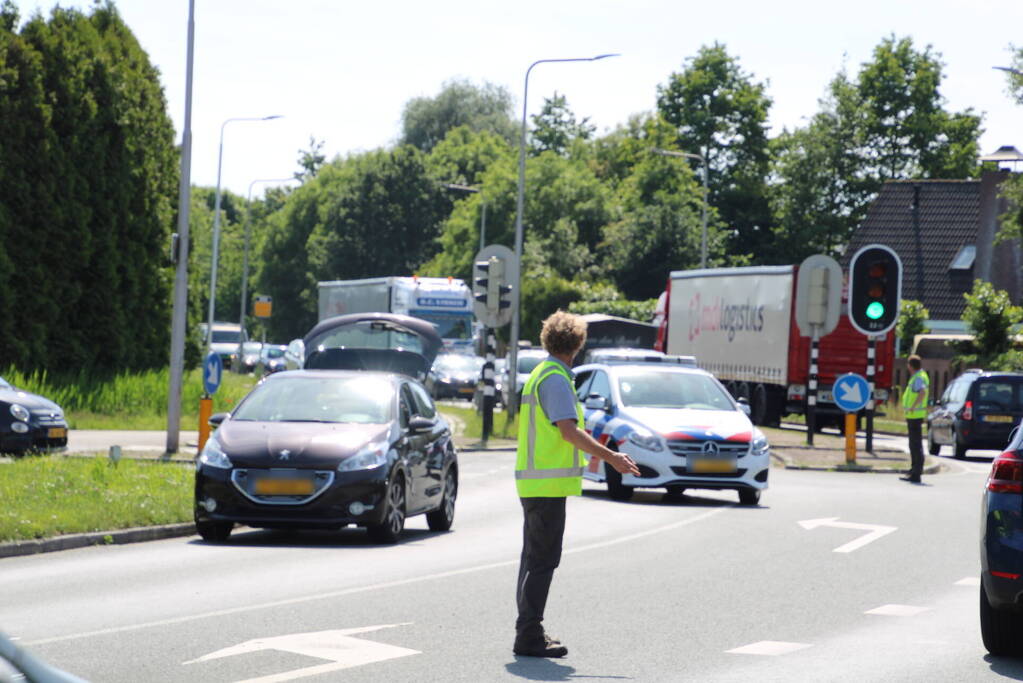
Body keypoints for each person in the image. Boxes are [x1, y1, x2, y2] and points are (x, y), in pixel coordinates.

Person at [513, 311, 640, 658]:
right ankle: (528, 635)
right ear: (578, 345)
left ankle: (528, 630)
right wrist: (612, 457)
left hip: (537, 483)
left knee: (533, 559)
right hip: (546, 485)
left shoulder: (544, 372)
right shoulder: (554, 379)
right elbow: (568, 431)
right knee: (542, 561)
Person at [900, 354, 930, 483]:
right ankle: (913, 471)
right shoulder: (919, 376)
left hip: (915, 415)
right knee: (914, 444)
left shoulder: (918, 378)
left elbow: (922, 393)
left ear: (910, 366)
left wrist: (913, 407)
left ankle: (916, 473)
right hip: (914, 416)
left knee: (915, 445)